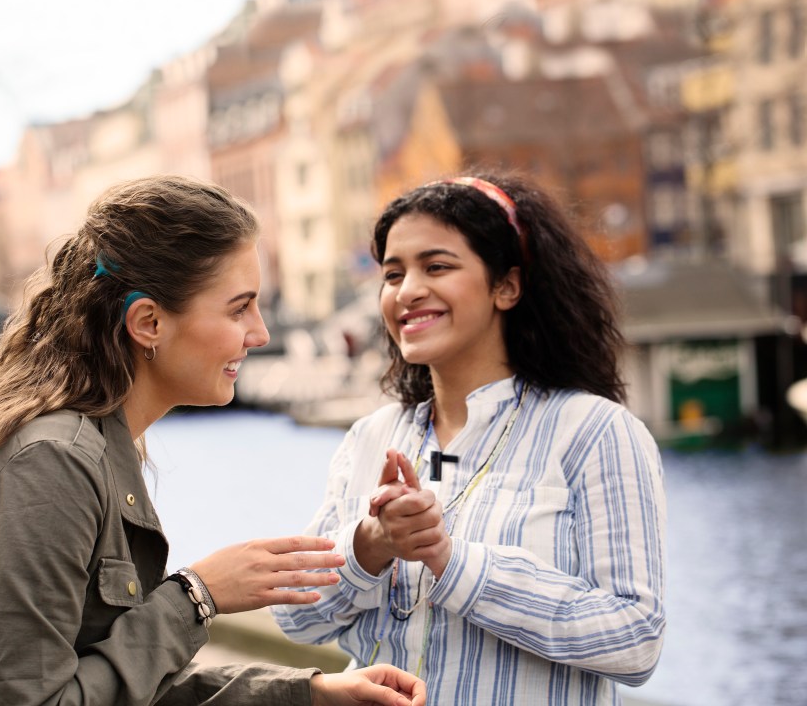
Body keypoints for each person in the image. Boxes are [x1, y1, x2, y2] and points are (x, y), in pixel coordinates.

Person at [0, 175, 426, 706]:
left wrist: (313, 692)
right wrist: (198, 596)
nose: (262, 332)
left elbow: (106, 681)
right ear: (148, 323)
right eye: (240, 307)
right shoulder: (49, 462)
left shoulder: (88, 436)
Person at [272, 172, 666, 704]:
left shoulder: (596, 432)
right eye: (392, 274)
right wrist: (370, 546)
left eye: (436, 266)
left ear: (507, 286)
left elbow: (635, 640)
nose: (407, 291)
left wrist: (453, 562)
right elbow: (295, 620)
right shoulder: (371, 436)